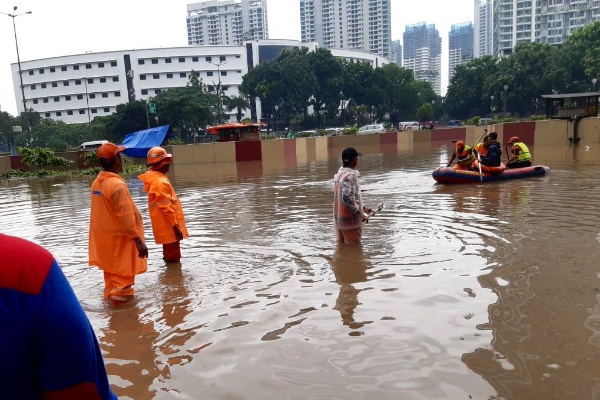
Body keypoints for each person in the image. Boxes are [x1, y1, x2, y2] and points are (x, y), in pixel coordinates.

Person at [0, 233, 117, 399]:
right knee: (121, 290)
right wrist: (137, 239)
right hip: (120, 253)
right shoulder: (29, 268)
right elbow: (84, 389)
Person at [89, 142, 148, 302]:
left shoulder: (97, 183)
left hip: (106, 242)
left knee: (111, 279)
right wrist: (138, 240)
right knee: (123, 283)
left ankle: (112, 317)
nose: (122, 159)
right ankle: (125, 319)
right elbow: (125, 216)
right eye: (120, 156)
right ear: (117, 159)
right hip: (120, 241)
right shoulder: (117, 185)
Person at [138, 146, 189, 263]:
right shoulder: (159, 182)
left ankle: (169, 278)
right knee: (173, 257)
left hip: (165, 226)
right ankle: (174, 280)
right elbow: (165, 206)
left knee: (169, 255)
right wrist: (175, 227)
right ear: (163, 163)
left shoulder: (157, 179)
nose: (169, 164)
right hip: (169, 227)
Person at [333, 147, 374, 245]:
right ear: (355, 159)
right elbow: (347, 197)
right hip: (350, 222)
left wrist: (363, 208)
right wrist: (360, 213)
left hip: (340, 219)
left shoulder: (340, 174)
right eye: (357, 158)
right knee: (354, 249)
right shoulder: (350, 176)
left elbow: (349, 196)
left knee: (342, 249)